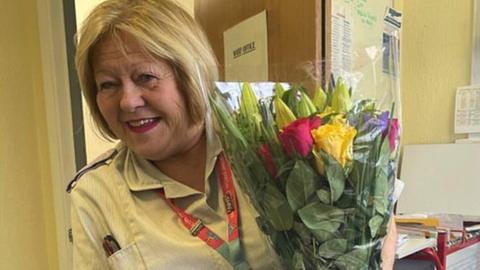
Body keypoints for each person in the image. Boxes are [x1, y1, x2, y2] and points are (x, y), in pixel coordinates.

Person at [69, 0, 397, 269]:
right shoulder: (95, 193)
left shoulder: (272, 138)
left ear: (190, 74)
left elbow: (375, 217)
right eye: (108, 85)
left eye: (146, 77)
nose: (127, 101)